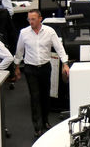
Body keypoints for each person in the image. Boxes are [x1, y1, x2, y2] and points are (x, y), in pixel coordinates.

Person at [14, 9, 69, 137]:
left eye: (33, 19)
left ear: (40, 19)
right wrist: (16, 67)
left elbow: (59, 48)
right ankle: (37, 126)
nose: (31, 21)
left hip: (45, 67)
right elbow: (19, 51)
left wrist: (65, 63)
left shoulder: (49, 32)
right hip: (30, 68)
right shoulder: (24, 33)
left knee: (45, 96)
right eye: (29, 19)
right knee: (35, 97)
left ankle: (45, 121)